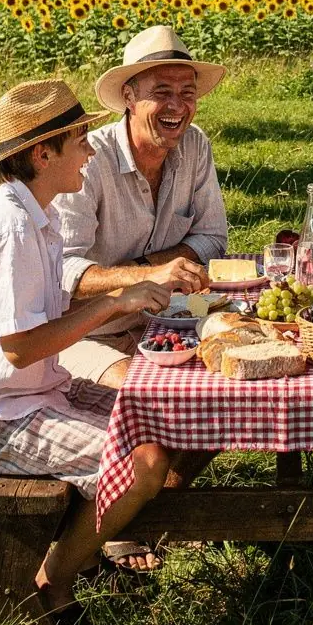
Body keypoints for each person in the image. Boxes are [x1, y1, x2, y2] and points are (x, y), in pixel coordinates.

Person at [0, 80, 175, 625]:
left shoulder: (38, 213)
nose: (91, 149)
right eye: (80, 140)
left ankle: (89, 539)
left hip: (30, 390)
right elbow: (19, 347)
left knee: (165, 414)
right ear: (43, 152)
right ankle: (53, 579)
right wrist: (115, 302)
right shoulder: (10, 226)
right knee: (144, 464)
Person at [54, 25, 227, 389]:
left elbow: (213, 238)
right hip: (85, 333)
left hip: (164, 323)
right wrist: (146, 275)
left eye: (187, 93)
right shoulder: (89, 160)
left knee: (210, 395)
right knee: (158, 400)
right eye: (161, 92)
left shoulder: (195, 145)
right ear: (129, 97)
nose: (177, 106)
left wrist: (151, 269)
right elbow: (63, 271)